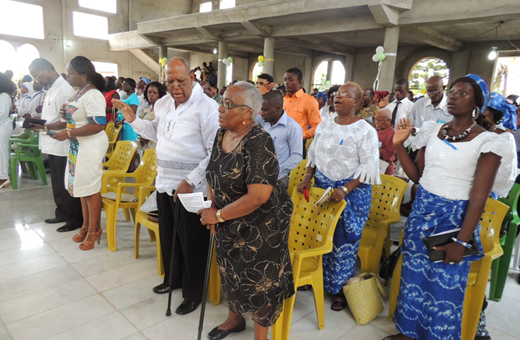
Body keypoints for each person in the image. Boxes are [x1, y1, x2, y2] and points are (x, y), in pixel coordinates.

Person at [386, 74, 516, 340]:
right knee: (413, 278)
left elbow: (479, 197)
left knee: (444, 287)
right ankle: (409, 331)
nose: (454, 96)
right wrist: (399, 145)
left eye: (463, 93)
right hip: (422, 214)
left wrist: (461, 241)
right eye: (453, 91)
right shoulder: (434, 130)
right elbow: (419, 177)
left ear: (478, 103)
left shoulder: (488, 141)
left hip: (455, 220)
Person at [113, 57, 219, 315]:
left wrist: (190, 181)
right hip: (164, 183)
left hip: (191, 188)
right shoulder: (162, 103)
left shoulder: (207, 108)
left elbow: (213, 153)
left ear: (192, 79)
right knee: (170, 236)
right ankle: (173, 280)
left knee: (192, 241)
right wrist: (132, 120)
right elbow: (154, 132)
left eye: (180, 81)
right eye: (169, 81)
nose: (174, 86)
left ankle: (193, 293)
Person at [199, 82, 295, 340]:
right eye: (222, 100)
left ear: (247, 113)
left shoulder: (258, 142)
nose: (220, 108)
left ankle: (260, 337)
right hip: (228, 219)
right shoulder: (223, 133)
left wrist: (218, 215)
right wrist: (212, 205)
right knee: (230, 270)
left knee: (260, 283)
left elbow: (259, 196)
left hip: (260, 226)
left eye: (228, 104)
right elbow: (212, 171)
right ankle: (234, 320)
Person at [298, 81, 380, 311]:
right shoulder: (324, 125)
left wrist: (345, 189)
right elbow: (313, 154)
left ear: (357, 102)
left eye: (346, 95)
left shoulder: (366, 131)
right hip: (324, 188)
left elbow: (369, 167)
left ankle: (342, 289)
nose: (338, 97)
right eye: (337, 94)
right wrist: (307, 178)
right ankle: (316, 277)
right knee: (321, 235)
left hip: (350, 193)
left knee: (343, 240)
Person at [47, 56, 109, 250]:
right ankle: (85, 226)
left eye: (71, 72)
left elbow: (99, 124)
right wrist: (49, 126)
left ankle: (94, 229)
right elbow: (71, 119)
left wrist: (68, 133)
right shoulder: (79, 93)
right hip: (77, 144)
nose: (68, 75)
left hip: (90, 145)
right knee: (81, 187)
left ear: (84, 76)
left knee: (90, 187)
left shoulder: (93, 94)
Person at [29, 58, 83, 232]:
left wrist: (44, 126)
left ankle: (73, 219)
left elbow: (68, 121)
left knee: (66, 184)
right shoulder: (52, 89)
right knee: (57, 183)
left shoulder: (63, 90)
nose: (37, 80)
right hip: (51, 142)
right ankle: (61, 212)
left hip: (62, 144)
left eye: (38, 76)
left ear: (47, 69)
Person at [257, 90, 303, 191]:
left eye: (265, 110)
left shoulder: (292, 127)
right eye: (261, 109)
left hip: (278, 179)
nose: (262, 113)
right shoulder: (263, 121)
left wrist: (276, 170)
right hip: (259, 175)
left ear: (278, 109)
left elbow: (297, 156)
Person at [283, 67, 321, 157]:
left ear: (299, 82)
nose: (286, 83)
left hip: (297, 145)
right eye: (285, 80)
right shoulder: (283, 100)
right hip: (281, 144)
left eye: (290, 80)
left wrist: (300, 135)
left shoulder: (309, 101)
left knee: (294, 170)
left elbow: (317, 126)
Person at [136, 81, 167, 150]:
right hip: (146, 146)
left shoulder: (163, 111)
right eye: (149, 92)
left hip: (157, 145)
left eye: (154, 93)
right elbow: (139, 125)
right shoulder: (145, 110)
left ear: (160, 94)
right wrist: (142, 136)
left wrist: (147, 136)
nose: (151, 95)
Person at [0, 73, 15, 188]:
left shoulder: (4, 96)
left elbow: (2, 113)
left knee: (2, 151)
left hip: (3, 127)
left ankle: (4, 177)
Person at [374, 108, 396, 175]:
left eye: (379, 120)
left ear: (388, 120)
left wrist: (372, 146)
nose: (376, 122)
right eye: (375, 119)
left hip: (384, 168)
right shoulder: (376, 130)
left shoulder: (392, 134)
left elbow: (388, 155)